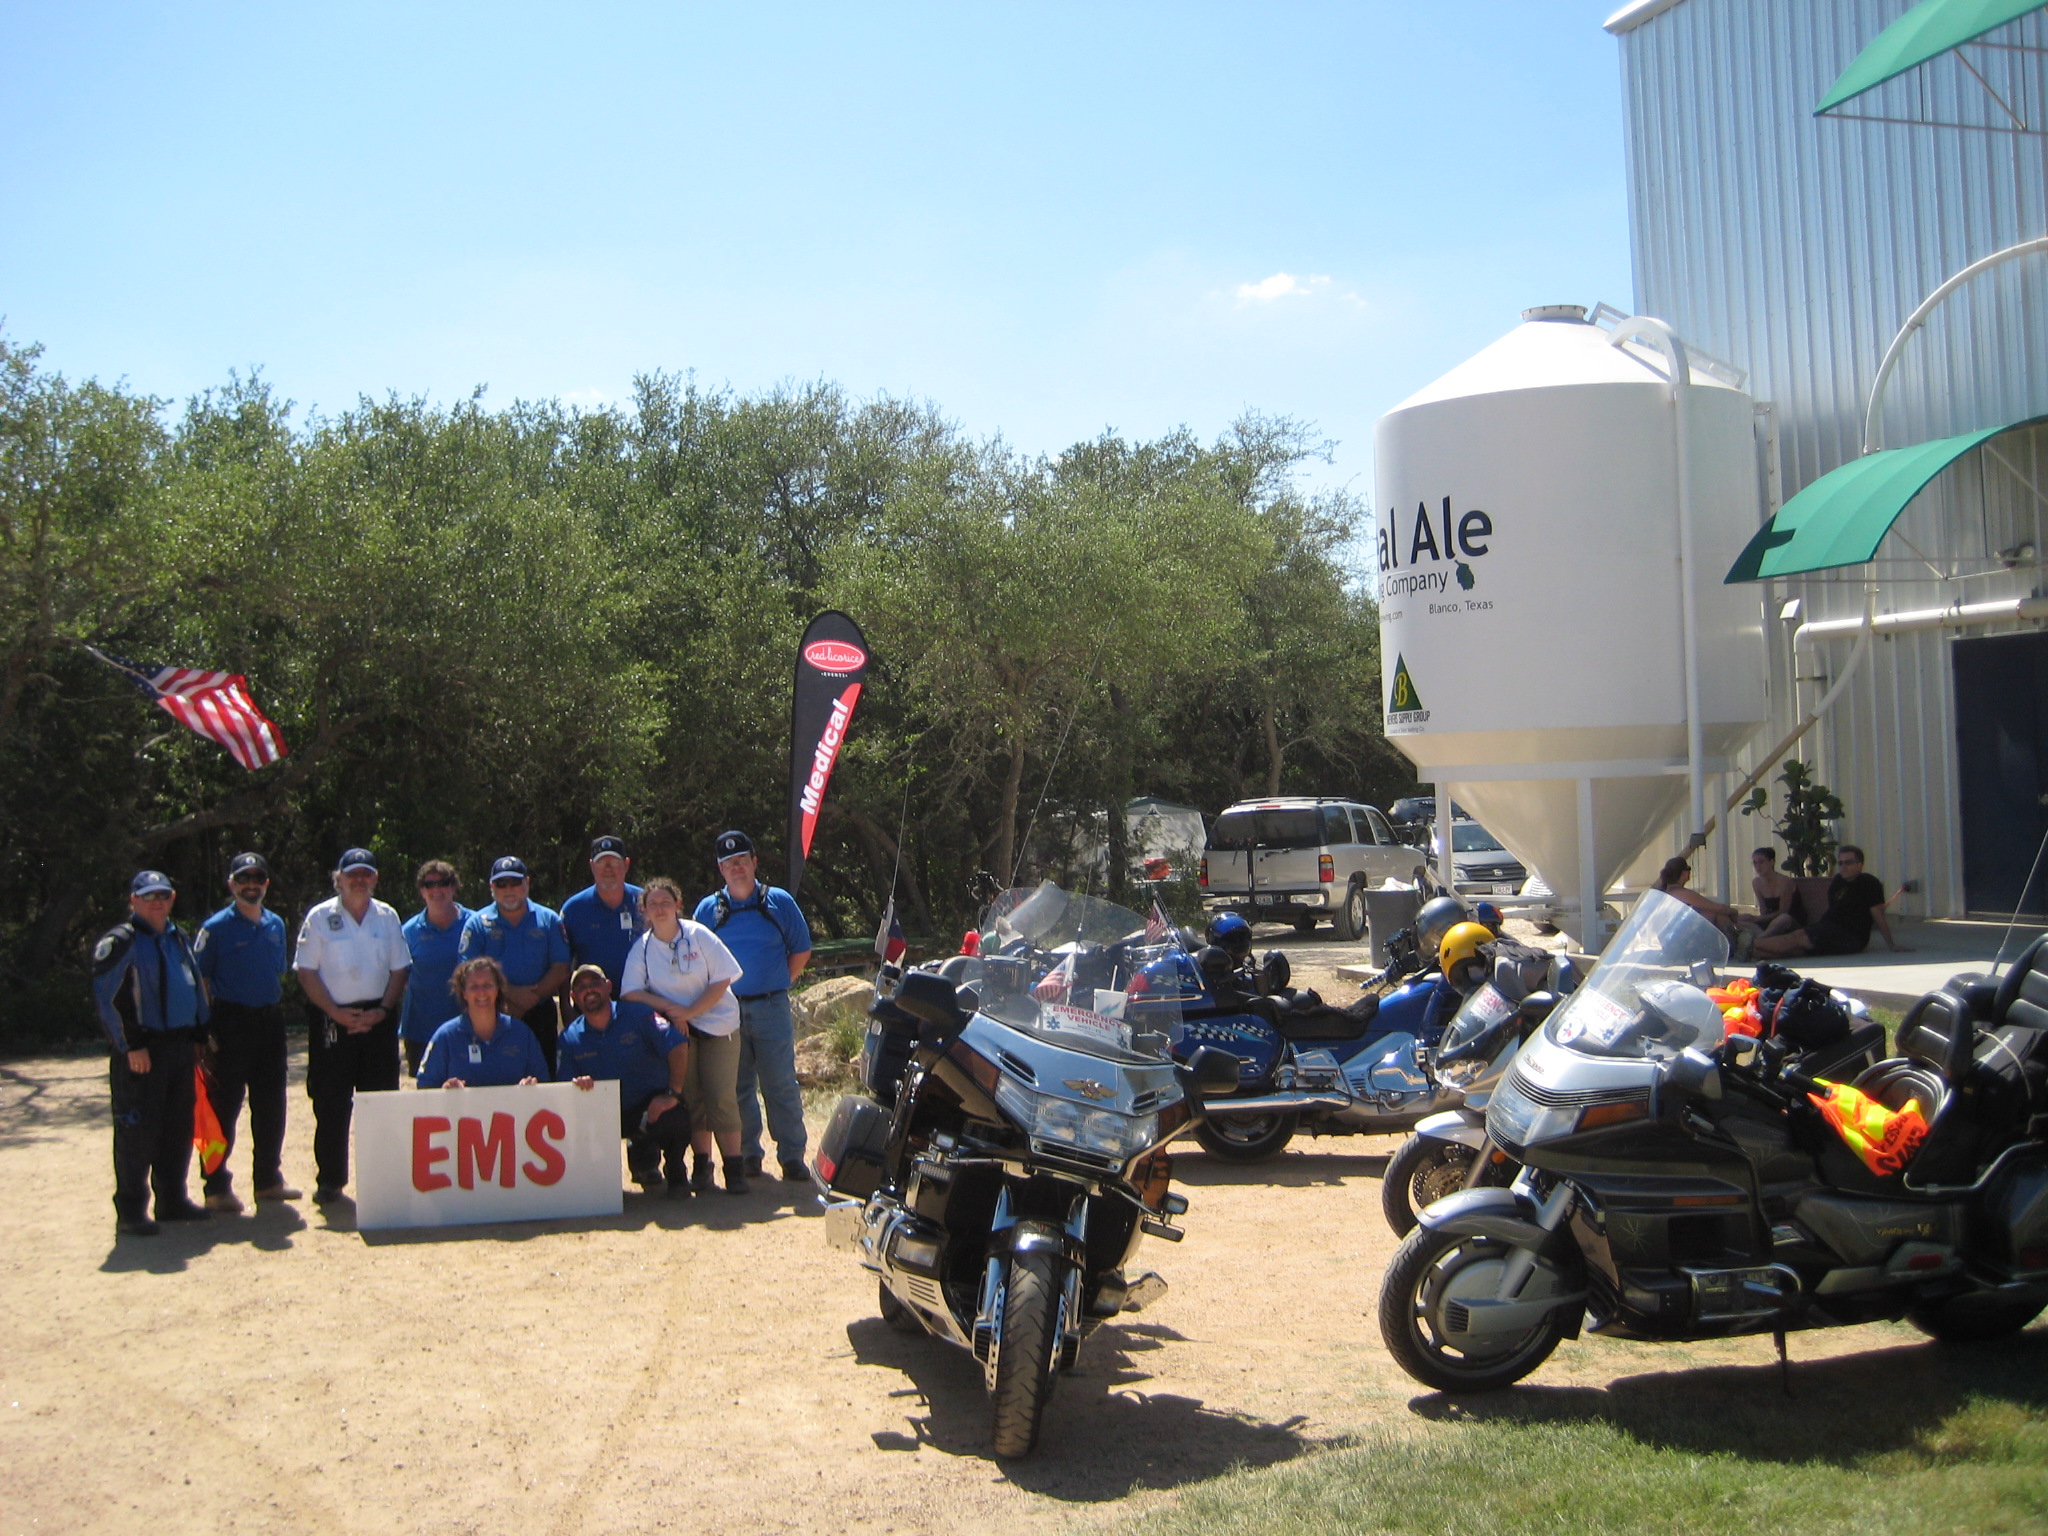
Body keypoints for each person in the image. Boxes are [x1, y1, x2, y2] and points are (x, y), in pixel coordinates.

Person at [92, 870, 211, 1236]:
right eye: (148, 896)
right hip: (143, 1050)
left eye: (163, 895)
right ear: (134, 901)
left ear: (172, 899)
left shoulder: (178, 937)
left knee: (178, 1127)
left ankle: (172, 1200)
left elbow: (194, 986)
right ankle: (131, 1211)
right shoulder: (121, 941)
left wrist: (200, 1033)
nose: (157, 902)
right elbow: (109, 998)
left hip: (180, 1047)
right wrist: (132, 1044)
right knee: (138, 1131)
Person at [693, 831, 812, 1184]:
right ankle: (747, 1155)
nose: (737, 868)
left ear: (754, 862)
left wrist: (778, 982)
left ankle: (792, 1156)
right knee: (737, 1087)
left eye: (742, 860)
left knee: (780, 1084)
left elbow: (801, 950)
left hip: (771, 1007)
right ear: (720, 869)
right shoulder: (708, 910)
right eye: (729, 863)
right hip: (726, 1012)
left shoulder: (779, 902)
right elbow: (697, 960)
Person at [296, 848, 411, 1204]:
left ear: (374, 878)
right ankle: (330, 1181)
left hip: (378, 1018)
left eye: (366, 874)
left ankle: (381, 1181)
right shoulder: (319, 917)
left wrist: (384, 1009)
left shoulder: (387, 916)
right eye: (352, 874)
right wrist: (335, 1012)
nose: (359, 880)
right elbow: (306, 972)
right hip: (332, 1019)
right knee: (330, 1102)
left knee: (381, 1102)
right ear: (339, 879)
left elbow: (400, 969)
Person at [624, 876, 747, 1195]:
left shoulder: (698, 934)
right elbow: (630, 992)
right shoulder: (643, 948)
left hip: (719, 1025)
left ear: (678, 905)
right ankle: (702, 1166)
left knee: (721, 1097)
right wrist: (670, 1009)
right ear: (644, 910)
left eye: (666, 902)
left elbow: (723, 978)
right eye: (653, 904)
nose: (660, 908)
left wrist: (689, 1012)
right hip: (680, 1032)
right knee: (692, 1100)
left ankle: (735, 1168)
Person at [192, 852, 299, 1212]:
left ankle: (268, 1181)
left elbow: (277, 971)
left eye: (257, 879)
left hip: (269, 1022)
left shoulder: (276, 924)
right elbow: (201, 981)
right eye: (243, 879)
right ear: (231, 884)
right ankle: (215, 1186)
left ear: (266, 884)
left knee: (271, 1105)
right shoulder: (216, 928)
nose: (250, 885)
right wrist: (204, 1030)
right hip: (230, 1023)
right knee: (222, 1108)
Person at [557, 964, 694, 1197]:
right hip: (603, 1116)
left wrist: (672, 1094)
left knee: (674, 1115)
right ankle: (609, 1176)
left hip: (648, 1107)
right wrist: (578, 1084)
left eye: (595, 983)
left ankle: (675, 1169)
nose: (589, 990)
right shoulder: (569, 1037)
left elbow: (678, 1045)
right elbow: (564, 1086)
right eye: (581, 987)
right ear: (573, 996)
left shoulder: (639, 1015)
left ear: (608, 986)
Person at [458, 857, 571, 1078]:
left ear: (527, 883)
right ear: (492, 887)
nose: (508, 889)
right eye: (501, 884)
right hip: (492, 1011)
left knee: (542, 1076)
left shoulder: (549, 920)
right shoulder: (477, 924)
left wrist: (532, 998)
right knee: (495, 1076)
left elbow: (561, 966)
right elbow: (467, 970)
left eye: (515, 882)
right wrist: (512, 995)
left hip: (540, 1012)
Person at [1753, 845, 1913, 959]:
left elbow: (1877, 914)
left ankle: (1752, 944)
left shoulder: (1869, 883)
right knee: (1793, 950)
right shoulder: (1838, 881)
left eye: (1848, 862)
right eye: (1840, 863)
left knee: (1797, 938)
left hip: (1849, 936)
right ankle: (1751, 949)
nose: (1843, 867)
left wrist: (1891, 944)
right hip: (1827, 929)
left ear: (1860, 865)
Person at [559, 836, 650, 1028]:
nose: (608, 869)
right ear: (592, 866)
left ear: (626, 865)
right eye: (602, 862)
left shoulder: (646, 903)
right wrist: (566, 1008)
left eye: (614, 862)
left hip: (641, 1005)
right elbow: (563, 964)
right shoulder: (573, 909)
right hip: (592, 1008)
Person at [416, 957, 549, 1088]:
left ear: (498, 990)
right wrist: (445, 1089)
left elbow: (543, 1082)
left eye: (487, 985)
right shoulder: (445, 1036)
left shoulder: (522, 1034)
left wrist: (531, 1085)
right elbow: (424, 1085)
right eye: (474, 986)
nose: (481, 992)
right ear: (464, 993)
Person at [400, 860, 472, 1079]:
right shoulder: (409, 931)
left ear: (454, 887)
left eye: (444, 883)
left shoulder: (474, 924)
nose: (436, 889)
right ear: (422, 891)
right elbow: (399, 978)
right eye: (429, 884)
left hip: (468, 1027)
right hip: (421, 1030)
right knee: (427, 1092)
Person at [1650, 857, 1742, 940]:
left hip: (1671, 937)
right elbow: (1717, 908)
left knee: (1745, 919)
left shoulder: (1664, 893)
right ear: (1684, 873)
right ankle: (1736, 944)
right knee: (1717, 914)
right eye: (1688, 869)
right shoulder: (1682, 894)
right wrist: (1734, 912)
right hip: (1681, 939)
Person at [1747, 847, 1803, 937]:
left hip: (1790, 921)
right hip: (1770, 921)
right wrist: (1754, 919)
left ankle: (1760, 938)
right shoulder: (1756, 883)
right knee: (1742, 918)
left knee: (1783, 919)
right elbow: (1763, 909)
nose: (1757, 866)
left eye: (1761, 862)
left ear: (1772, 862)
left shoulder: (1784, 881)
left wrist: (1756, 919)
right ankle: (1761, 935)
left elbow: (1783, 911)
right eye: (1755, 862)